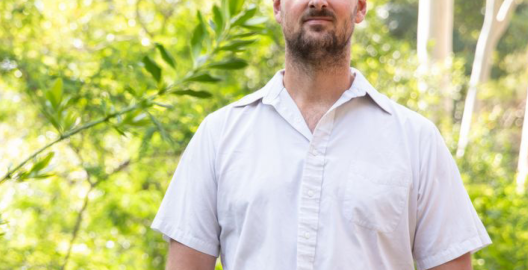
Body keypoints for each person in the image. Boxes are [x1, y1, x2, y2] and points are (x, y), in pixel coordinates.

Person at [150, 0, 492, 269]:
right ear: (277, 6)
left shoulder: (417, 141)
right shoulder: (219, 135)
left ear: (360, 7)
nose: (318, 2)